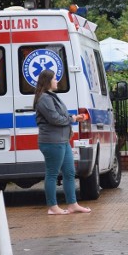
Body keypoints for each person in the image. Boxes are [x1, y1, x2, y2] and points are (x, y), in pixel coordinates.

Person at [34, 70, 91, 215]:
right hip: (52, 142)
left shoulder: (51, 97)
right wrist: (71, 119)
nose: (57, 81)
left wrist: (73, 117)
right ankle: (52, 207)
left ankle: (73, 204)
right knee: (52, 174)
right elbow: (55, 119)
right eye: (54, 79)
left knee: (69, 172)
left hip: (62, 141)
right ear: (47, 81)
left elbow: (61, 115)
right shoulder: (44, 99)